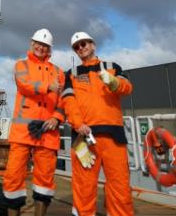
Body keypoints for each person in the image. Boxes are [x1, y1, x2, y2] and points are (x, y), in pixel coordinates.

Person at [62, 31, 134, 216]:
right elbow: (68, 101)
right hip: (83, 138)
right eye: (77, 47)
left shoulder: (113, 67)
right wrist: (78, 124)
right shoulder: (71, 74)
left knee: (120, 186)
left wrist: (114, 82)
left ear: (93, 45)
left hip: (114, 138)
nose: (81, 48)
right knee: (83, 187)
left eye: (84, 44)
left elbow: (127, 88)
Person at [3, 28, 65, 216]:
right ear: (32, 44)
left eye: (45, 45)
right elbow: (25, 85)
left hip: (48, 132)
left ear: (49, 49)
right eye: (38, 44)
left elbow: (64, 101)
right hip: (23, 132)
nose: (41, 47)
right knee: (14, 175)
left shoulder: (58, 72)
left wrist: (57, 117)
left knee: (45, 178)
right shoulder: (21, 65)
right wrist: (48, 86)